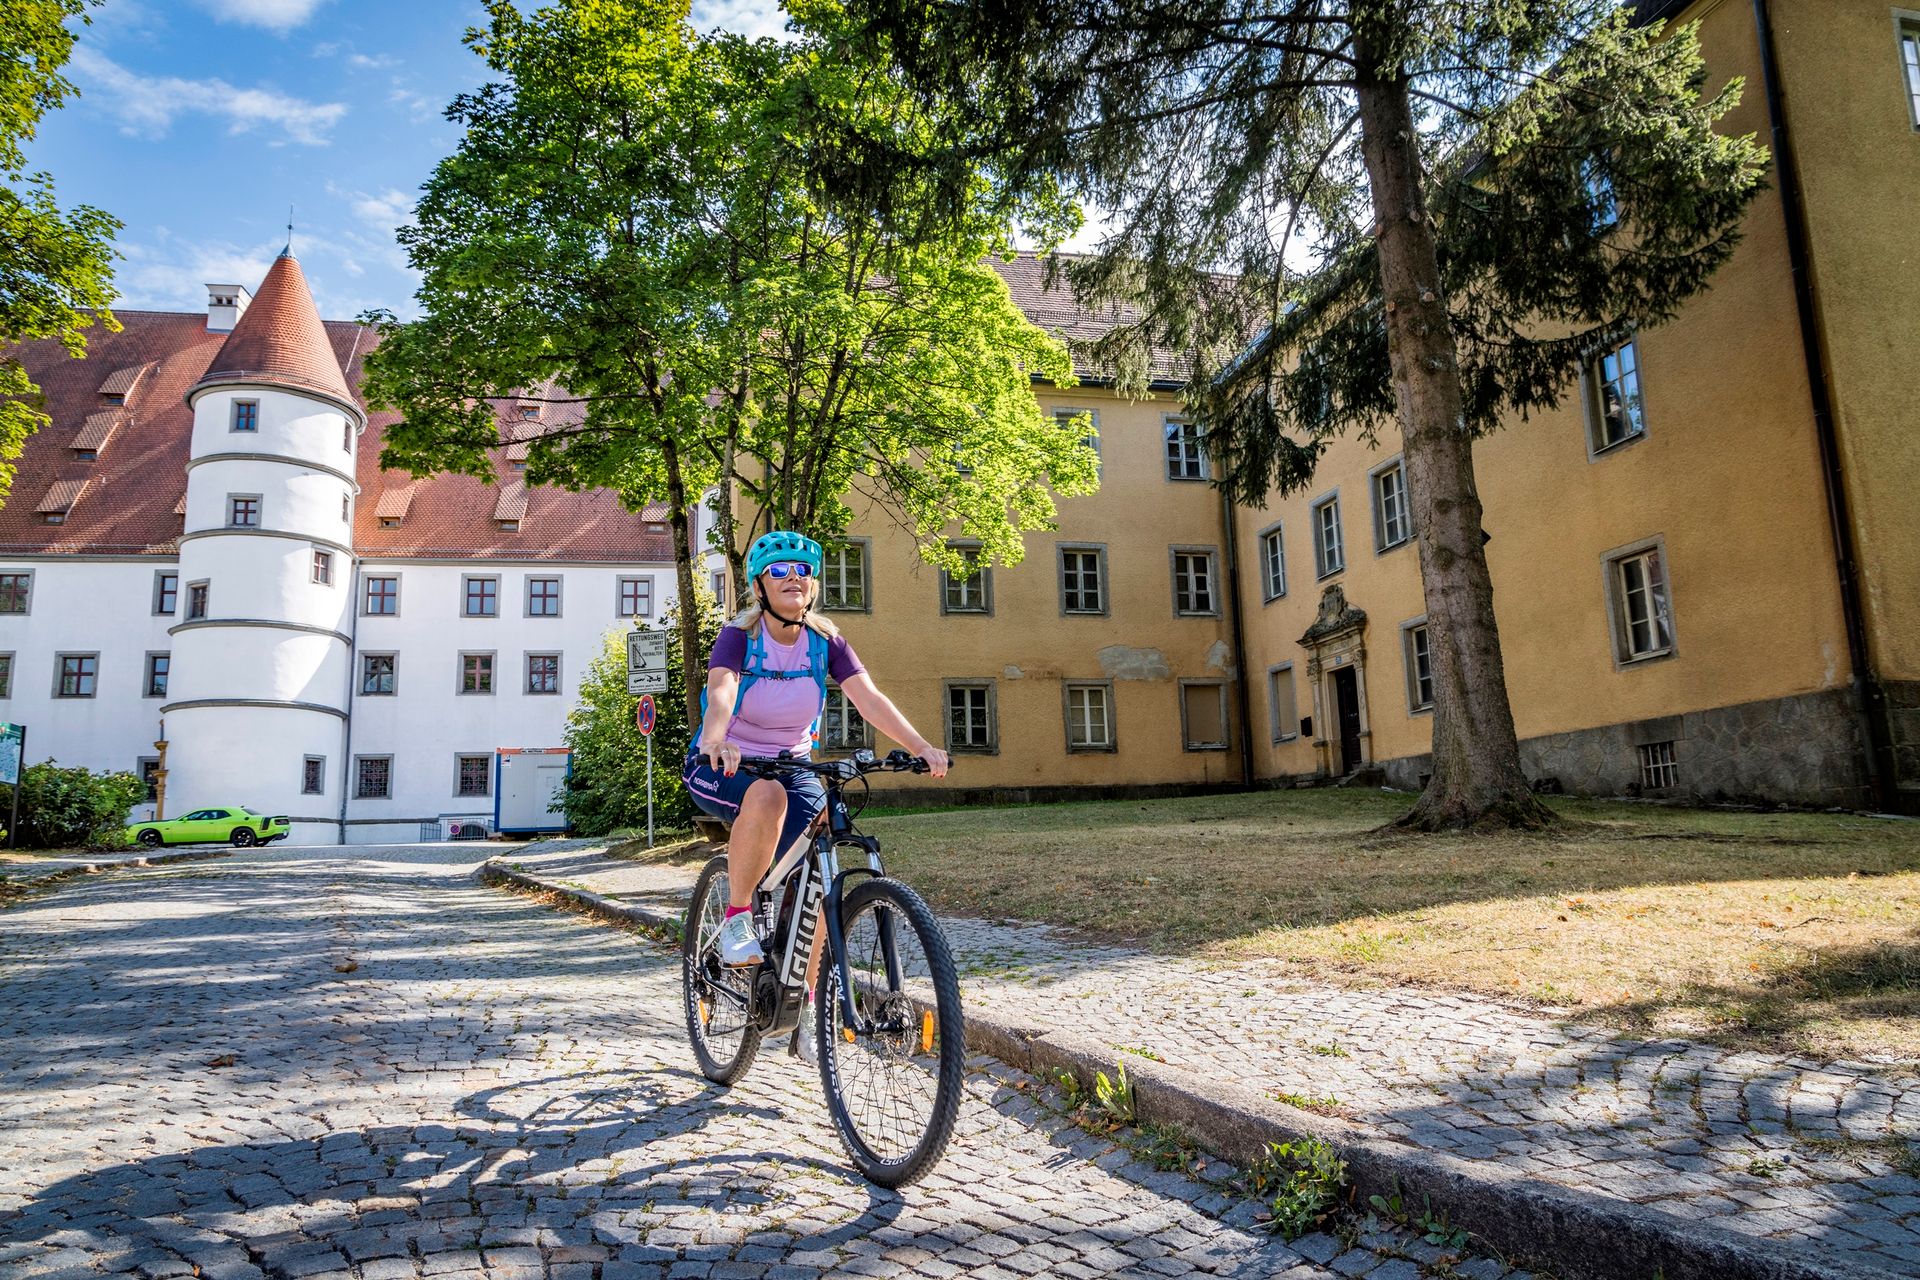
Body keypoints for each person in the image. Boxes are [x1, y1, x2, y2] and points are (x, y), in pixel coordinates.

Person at [686, 530, 950, 983]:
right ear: (759, 586)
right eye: (779, 571)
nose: (793, 577)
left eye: (803, 570)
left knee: (821, 858)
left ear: (813, 584)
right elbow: (722, 691)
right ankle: (736, 917)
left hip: (792, 762)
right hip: (724, 762)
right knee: (767, 797)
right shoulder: (739, 637)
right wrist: (714, 738)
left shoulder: (825, 642)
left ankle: (807, 1006)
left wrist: (920, 747)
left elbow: (869, 699)